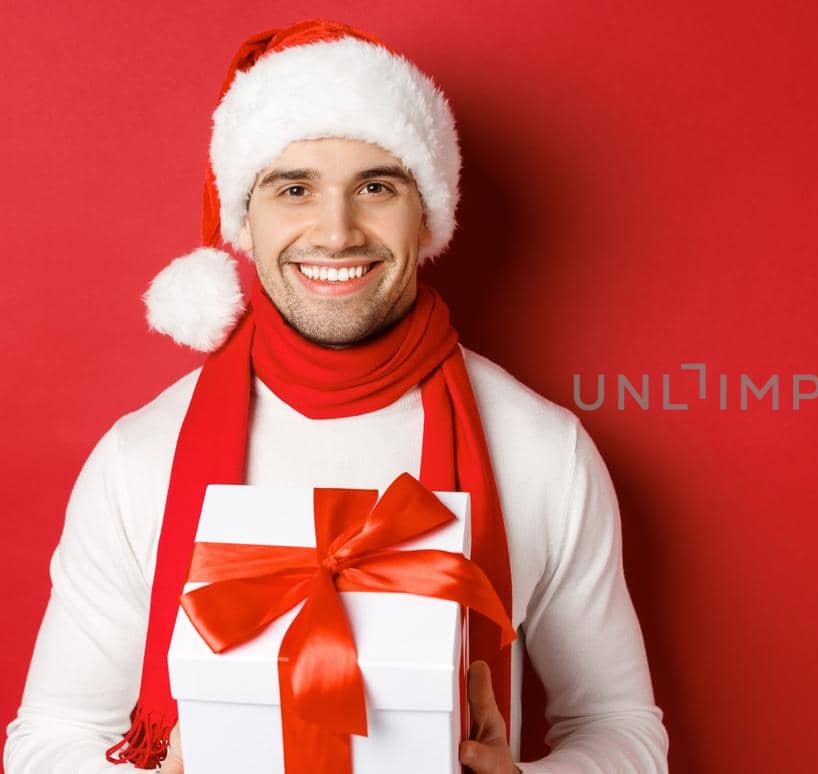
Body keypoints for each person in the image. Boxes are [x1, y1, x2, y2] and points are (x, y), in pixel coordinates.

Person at [3, 18, 669, 774]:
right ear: (243, 224)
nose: (337, 231)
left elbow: (621, 728)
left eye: (376, 187)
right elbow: (48, 737)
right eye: (294, 189)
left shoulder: (540, 449)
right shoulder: (140, 457)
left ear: (427, 218)